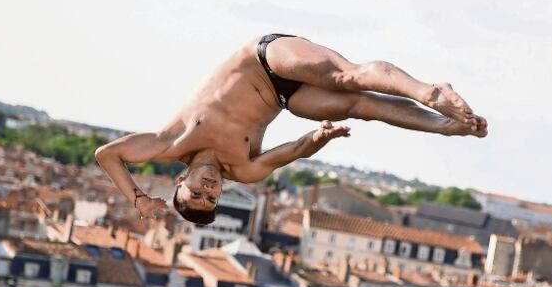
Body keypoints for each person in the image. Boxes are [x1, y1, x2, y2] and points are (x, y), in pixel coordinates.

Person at [95, 34, 488, 225]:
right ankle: (445, 126)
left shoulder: (170, 143)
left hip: (265, 58)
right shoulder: (245, 170)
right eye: (211, 199)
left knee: (344, 77)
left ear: (180, 179)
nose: (208, 189)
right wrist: (319, 137)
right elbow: (295, 151)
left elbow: (106, 154)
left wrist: (139, 199)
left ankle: (429, 92)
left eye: (195, 192)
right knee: (359, 107)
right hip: (285, 98)